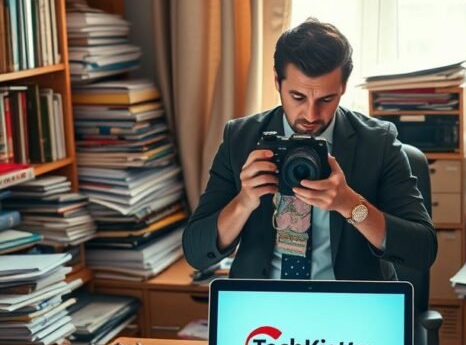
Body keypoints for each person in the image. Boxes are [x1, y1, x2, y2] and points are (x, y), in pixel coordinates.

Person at [182, 18, 437, 280]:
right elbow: (196, 252)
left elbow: (422, 251)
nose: (311, 114)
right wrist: (244, 202)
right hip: (265, 302)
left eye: (326, 99)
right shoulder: (241, 138)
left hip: (349, 303)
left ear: (343, 88)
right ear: (276, 82)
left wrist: (351, 205)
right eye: (298, 97)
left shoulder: (377, 142)